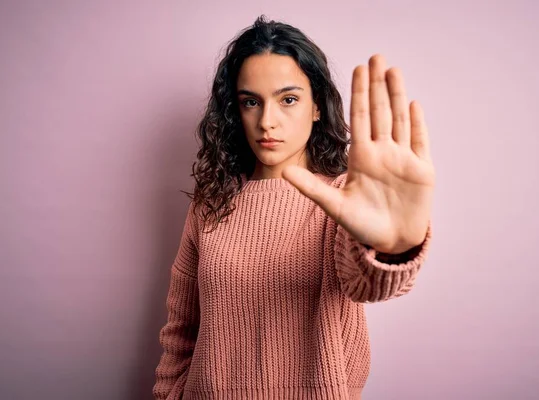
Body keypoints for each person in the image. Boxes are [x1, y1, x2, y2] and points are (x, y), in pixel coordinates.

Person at [153, 14, 434, 400]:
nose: (267, 122)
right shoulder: (210, 204)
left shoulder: (342, 201)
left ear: (316, 107)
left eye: (288, 99)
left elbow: (366, 282)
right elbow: (181, 331)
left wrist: (395, 248)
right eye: (251, 102)